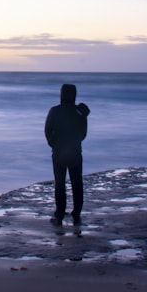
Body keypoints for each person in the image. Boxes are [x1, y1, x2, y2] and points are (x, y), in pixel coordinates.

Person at [44, 83, 90, 226]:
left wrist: (54, 144)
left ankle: (59, 214)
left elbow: (47, 130)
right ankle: (76, 212)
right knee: (77, 183)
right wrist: (75, 142)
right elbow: (83, 133)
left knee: (60, 184)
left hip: (59, 152)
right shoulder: (79, 112)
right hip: (75, 152)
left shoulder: (55, 111)